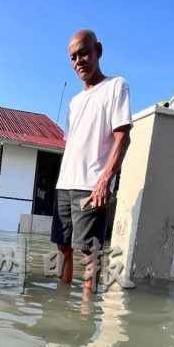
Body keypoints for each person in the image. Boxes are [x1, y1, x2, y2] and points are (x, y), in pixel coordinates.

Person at [51, 29, 132, 290]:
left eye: (84, 53)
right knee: (63, 247)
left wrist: (104, 182)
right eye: (73, 57)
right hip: (64, 184)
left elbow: (123, 138)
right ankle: (62, 309)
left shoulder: (116, 86)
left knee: (90, 253)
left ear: (98, 50)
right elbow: (73, 144)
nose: (79, 61)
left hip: (91, 185)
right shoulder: (74, 102)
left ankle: (86, 317)